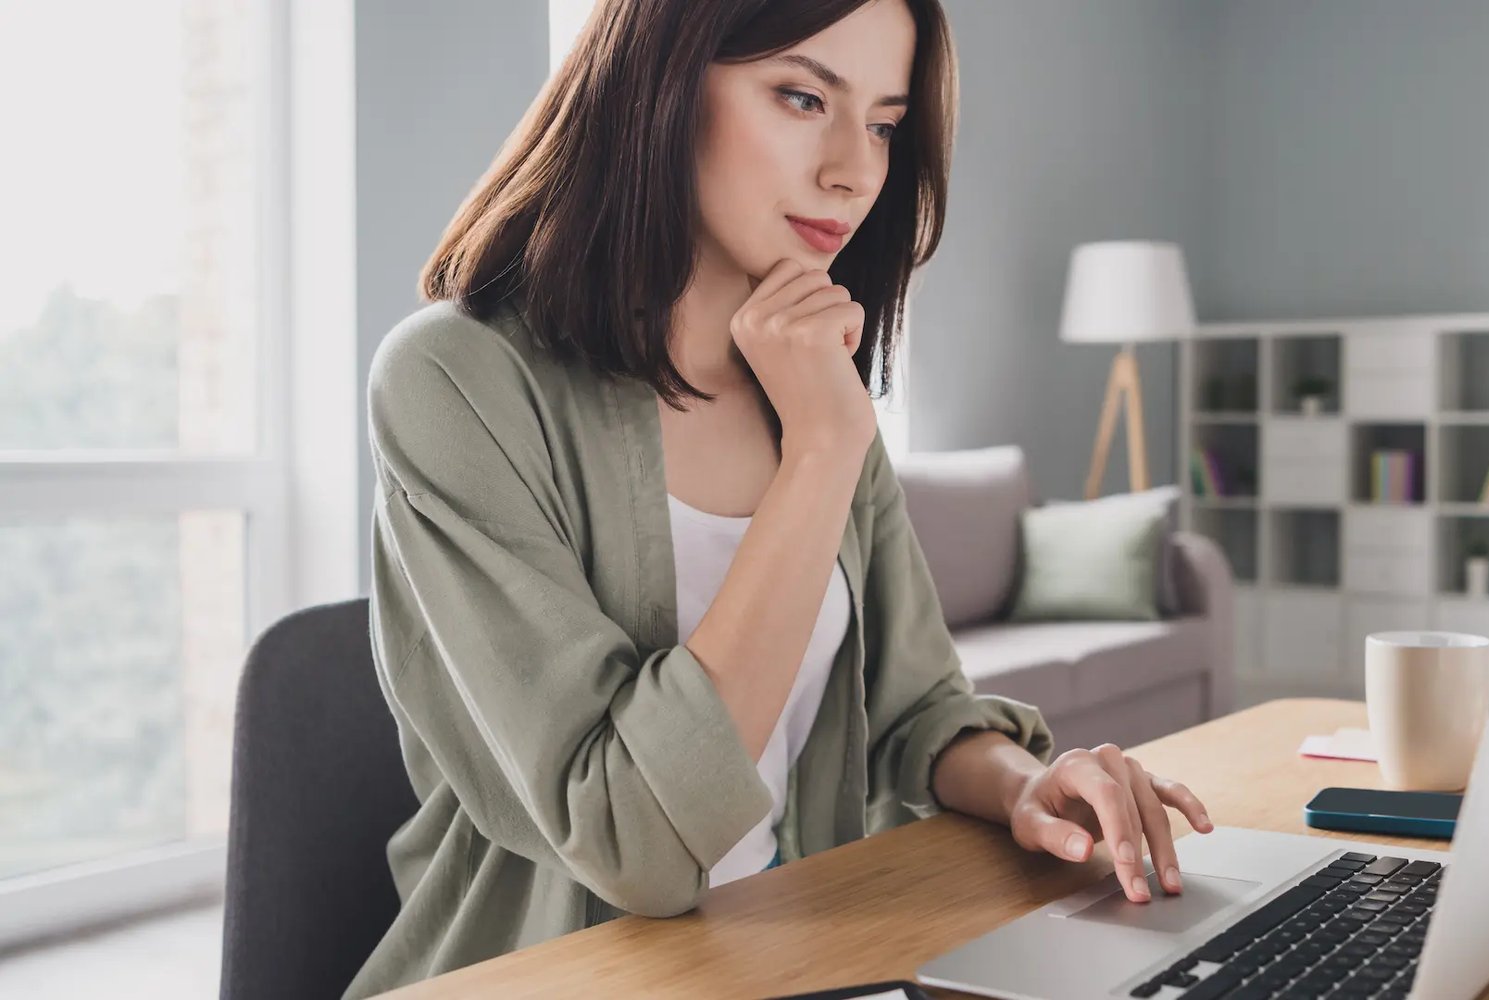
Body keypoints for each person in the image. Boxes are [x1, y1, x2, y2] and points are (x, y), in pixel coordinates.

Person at [346, 0, 1212, 994]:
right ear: (658, 88)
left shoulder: (809, 383)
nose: (853, 169)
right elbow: (635, 844)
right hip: (564, 970)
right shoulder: (455, 380)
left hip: (798, 951)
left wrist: (1029, 787)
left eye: (883, 123)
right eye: (802, 97)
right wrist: (821, 452)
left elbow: (916, 706)